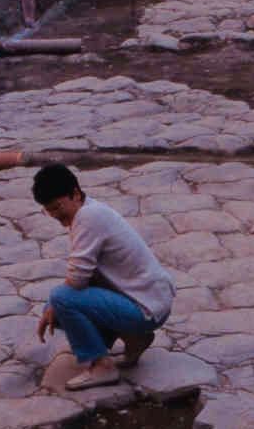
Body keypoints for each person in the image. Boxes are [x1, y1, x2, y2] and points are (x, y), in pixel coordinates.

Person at [33, 164, 175, 391]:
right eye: (49, 211)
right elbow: (85, 274)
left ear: (75, 194)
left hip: (145, 308)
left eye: (58, 207)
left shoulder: (88, 216)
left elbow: (77, 279)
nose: (55, 216)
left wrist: (54, 303)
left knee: (60, 299)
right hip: (148, 302)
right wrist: (52, 306)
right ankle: (133, 338)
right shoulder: (89, 211)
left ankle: (102, 366)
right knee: (55, 306)